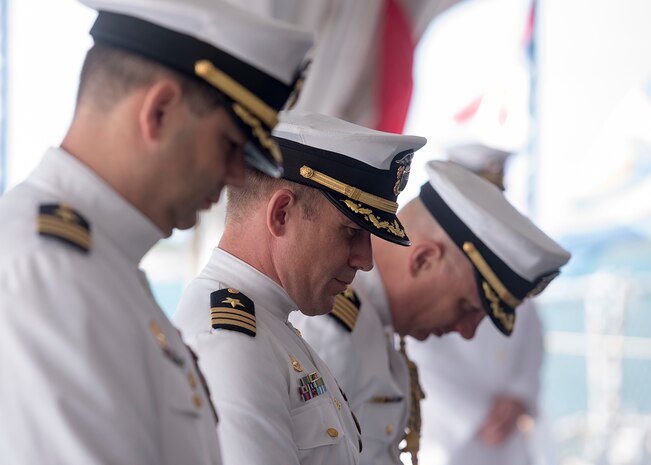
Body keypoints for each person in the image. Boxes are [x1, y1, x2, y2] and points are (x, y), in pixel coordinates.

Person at [0, 0, 313, 463]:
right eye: (230, 146)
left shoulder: (101, 266)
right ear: (160, 111)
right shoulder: (48, 270)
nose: (233, 177)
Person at [172, 110, 426, 465]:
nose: (365, 260)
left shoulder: (273, 328)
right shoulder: (232, 343)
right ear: (281, 214)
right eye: (352, 232)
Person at [290, 159, 571, 465]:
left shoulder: (373, 325)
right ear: (423, 260)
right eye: (466, 307)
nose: (467, 331)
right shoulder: (333, 330)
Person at [408, 142, 545, 465]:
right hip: (448, 439)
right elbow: (419, 349)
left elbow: (531, 333)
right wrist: (476, 416)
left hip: (508, 440)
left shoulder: (510, 263)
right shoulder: (436, 258)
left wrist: (518, 396)